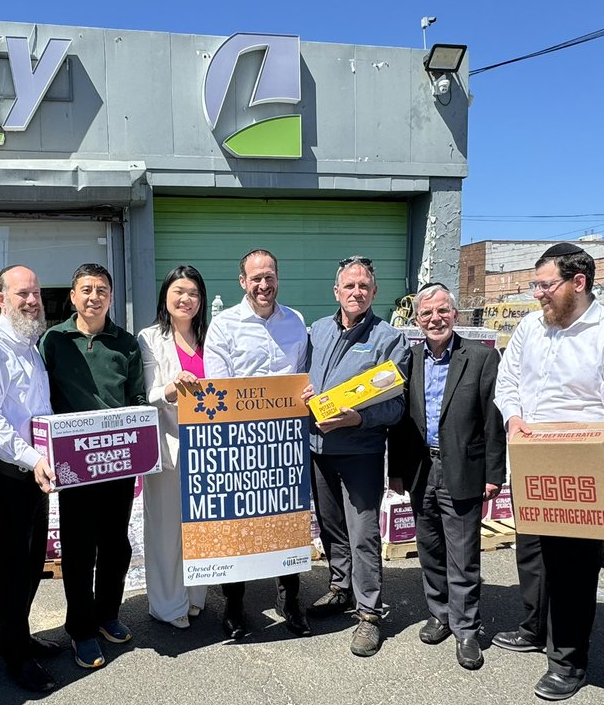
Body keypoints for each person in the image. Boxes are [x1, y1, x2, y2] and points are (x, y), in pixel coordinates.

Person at [493, 242, 604, 700]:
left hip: (583, 471)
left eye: (546, 285)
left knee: (574, 571)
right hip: (532, 462)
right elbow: (509, 382)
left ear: (578, 282)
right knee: (532, 556)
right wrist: (514, 416)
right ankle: (533, 628)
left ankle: (568, 660)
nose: (538, 294)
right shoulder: (531, 327)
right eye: (536, 285)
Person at [387, 282, 505, 670]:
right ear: (417, 320)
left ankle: (467, 629)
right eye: (427, 314)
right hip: (423, 470)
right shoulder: (411, 359)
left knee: (464, 554)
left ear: (454, 315)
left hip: (463, 469)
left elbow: (493, 420)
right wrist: (398, 471)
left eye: (442, 311)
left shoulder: (481, 359)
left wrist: (493, 474)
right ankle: (440, 614)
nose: (435, 319)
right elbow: (402, 423)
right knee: (431, 549)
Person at [40, 263, 147, 670]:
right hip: (75, 462)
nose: (94, 297)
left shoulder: (125, 343)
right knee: (80, 548)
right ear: (73, 296)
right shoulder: (54, 340)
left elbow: (137, 398)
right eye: (86, 289)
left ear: (111, 297)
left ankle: (107, 614)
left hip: (117, 459)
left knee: (116, 544)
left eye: (102, 290)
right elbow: (42, 398)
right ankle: (80, 629)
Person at [0, 266, 61, 694]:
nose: (32, 300)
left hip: (35, 472)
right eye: (22, 293)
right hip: (4, 474)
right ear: (0, 299)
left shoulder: (31, 345)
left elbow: (40, 409)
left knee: (32, 561)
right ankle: (16, 655)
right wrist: (34, 457)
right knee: (9, 566)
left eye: (36, 292)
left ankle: (15, 638)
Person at [203, 248, 311, 640]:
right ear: (242, 282)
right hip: (239, 441)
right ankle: (234, 605)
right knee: (239, 526)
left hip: (284, 442)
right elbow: (218, 388)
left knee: (286, 522)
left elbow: (301, 379)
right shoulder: (224, 326)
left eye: (269, 276)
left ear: (277, 278)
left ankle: (290, 600)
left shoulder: (296, 322)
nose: (263, 285)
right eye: (256, 278)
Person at [302, 256, 407, 656]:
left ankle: (369, 615)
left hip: (360, 452)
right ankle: (340, 589)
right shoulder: (318, 331)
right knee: (331, 528)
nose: (356, 292)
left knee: (363, 533)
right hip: (318, 448)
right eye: (349, 286)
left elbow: (395, 407)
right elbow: (302, 380)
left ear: (374, 292)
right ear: (337, 291)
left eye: (364, 286)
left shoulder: (388, 339)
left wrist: (357, 418)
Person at [137, 265, 211, 629]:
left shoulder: (211, 336)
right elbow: (146, 395)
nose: (186, 299)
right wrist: (171, 388)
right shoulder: (149, 338)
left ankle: (195, 596)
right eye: (179, 291)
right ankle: (167, 605)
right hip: (168, 447)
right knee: (166, 529)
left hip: (208, 447)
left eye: (194, 293)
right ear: (165, 296)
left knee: (199, 526)